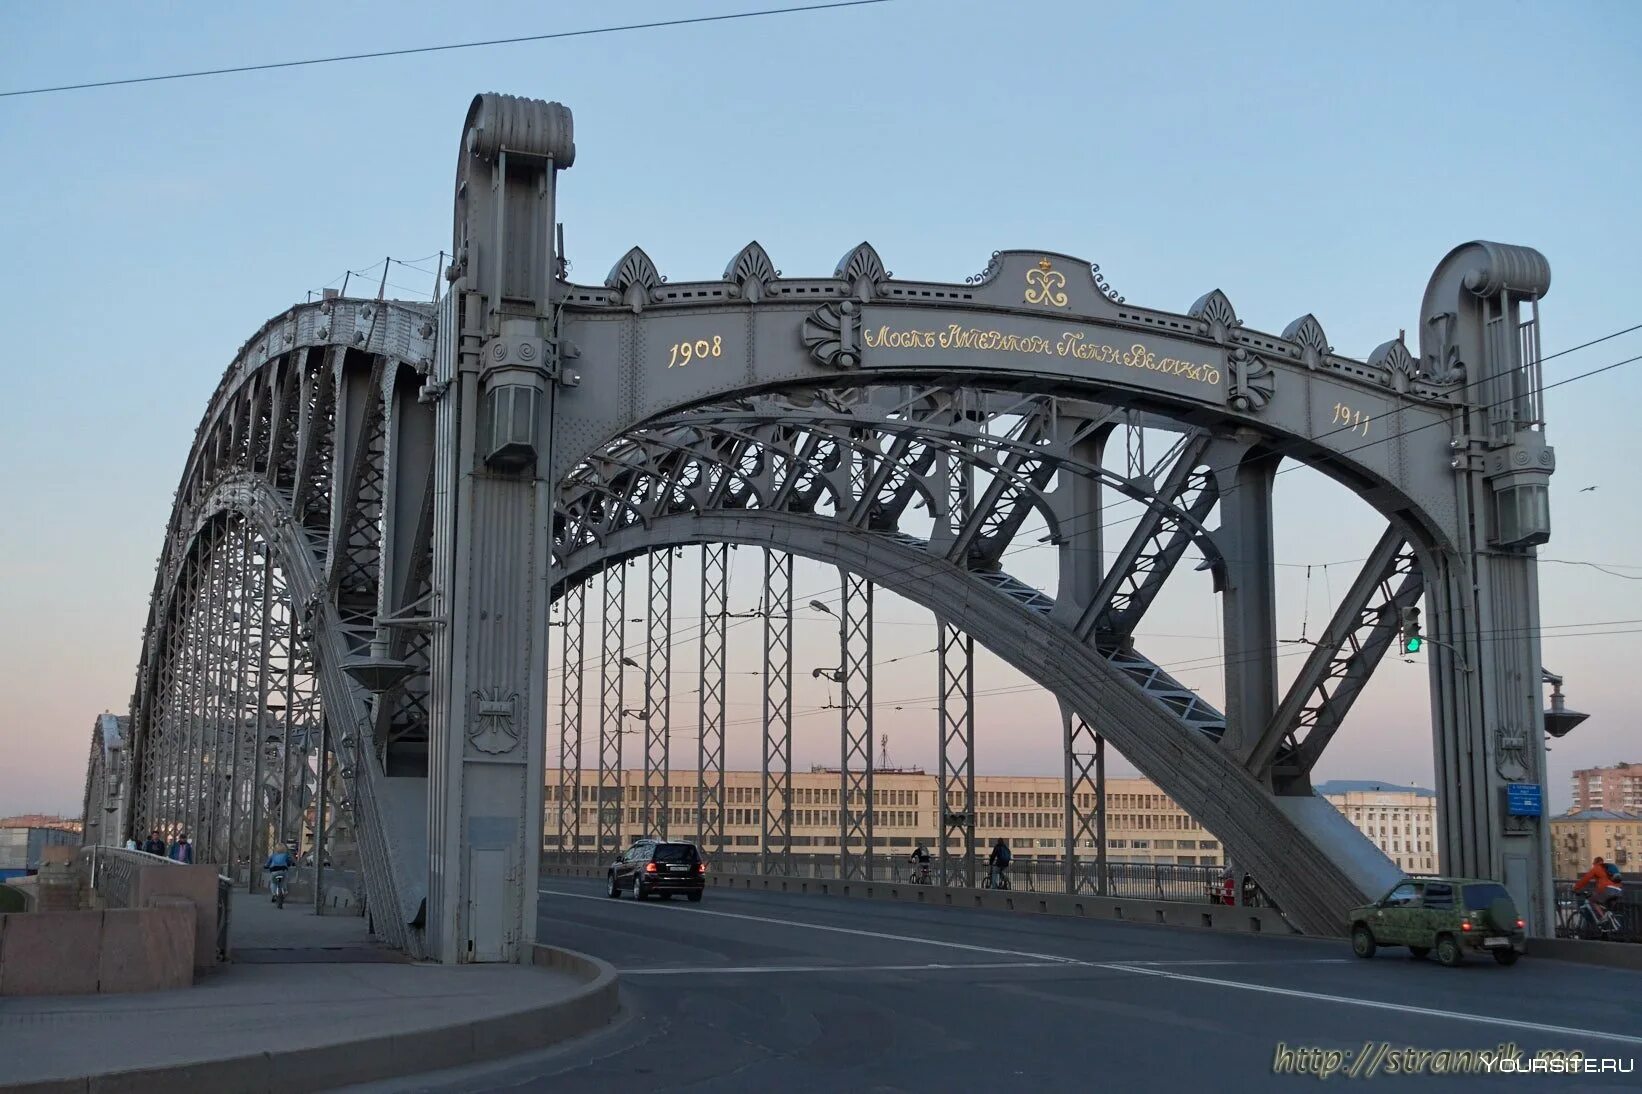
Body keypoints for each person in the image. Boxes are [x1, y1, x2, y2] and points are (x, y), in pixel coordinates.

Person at [1573, 856, 1623, 924]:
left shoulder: (1596, 868)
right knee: (1604, 907)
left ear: (1596, 863)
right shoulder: (1608, 867)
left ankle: (1603, 918)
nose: (1593, 865)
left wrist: (1576, 887)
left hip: (1609, 890)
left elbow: (1585, 879)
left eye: (1593, 863)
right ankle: (1605, 929)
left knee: (1592, 900)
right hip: (1618, 890)